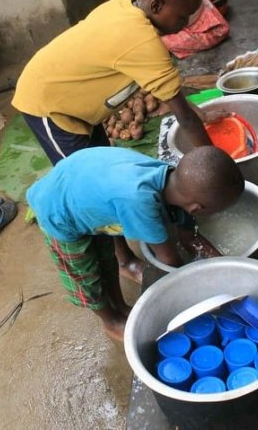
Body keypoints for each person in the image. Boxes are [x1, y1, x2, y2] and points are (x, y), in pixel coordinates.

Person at [12, 0, 221, 284]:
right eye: (181, 17)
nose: (185, 25)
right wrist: (216, 166)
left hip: (80, 105)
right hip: (51, 106)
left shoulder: (126, 6)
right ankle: (121, 260)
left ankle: (125, 251)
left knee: (103, 163)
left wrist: (199, 112)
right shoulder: (143, 43)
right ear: (156, 4)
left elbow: (178, 100)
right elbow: (181, 114)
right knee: (90, 184)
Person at [26, 145, 245, 341]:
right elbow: (169, 261)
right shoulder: (140, 202)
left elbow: (190, 237)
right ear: (197, 208)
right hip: (58, 212)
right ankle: (110, 321)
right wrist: (204, 292)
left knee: (106, 259)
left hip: (84, 184)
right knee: (86, 276)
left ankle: (120, 306)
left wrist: (226, 266)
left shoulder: (173, 178)